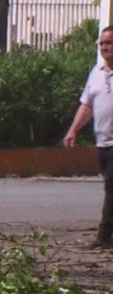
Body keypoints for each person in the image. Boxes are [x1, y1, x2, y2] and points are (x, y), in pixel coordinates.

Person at [61, 24, 113, 248]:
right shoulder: (97, 72)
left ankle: (104, 236)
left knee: (111, 187)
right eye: (102, 43)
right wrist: (74, 129)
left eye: (109, 43)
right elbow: (87, 104)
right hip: (102, 142)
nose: (104, 47)